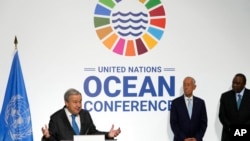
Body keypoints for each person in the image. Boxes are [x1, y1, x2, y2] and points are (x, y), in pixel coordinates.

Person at [41, 88, 121, 141]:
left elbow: (92, 133)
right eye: (75, 102)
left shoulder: (85, 114)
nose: (79, 105)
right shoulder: (56, 118)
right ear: (67, 103)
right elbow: (52, 139)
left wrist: (108, 135)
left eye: (80, 101)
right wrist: (47, 137)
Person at [170, 76, 208, 141]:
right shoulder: (175, 103)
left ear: (194, 87)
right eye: (184, 85)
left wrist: (196, 138)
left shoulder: (200, 103)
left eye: (188, 85)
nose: (186, 87)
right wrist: (183, 138)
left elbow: (203, 123)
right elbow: (174, 123)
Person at [219, 73, 250, 141]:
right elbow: (222, 115)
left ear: (244, 84)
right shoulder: (225, 96)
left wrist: (241, 130)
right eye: (233, 82)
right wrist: (232, 128)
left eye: (237, 83)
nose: (234, 85)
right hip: (228, 135)